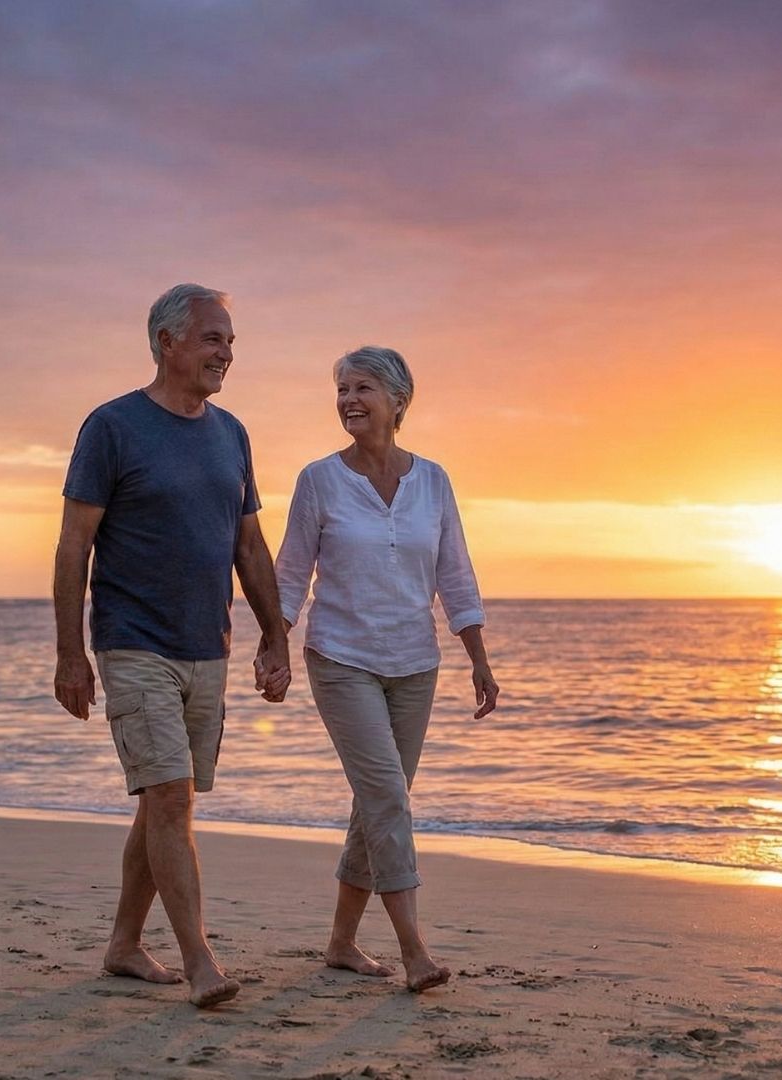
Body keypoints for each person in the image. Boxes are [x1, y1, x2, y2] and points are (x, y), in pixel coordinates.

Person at [53, 283, 291, 1008]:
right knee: (168, 795)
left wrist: (275, 636)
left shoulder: (232, 433)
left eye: (231, 342)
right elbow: (73, 546)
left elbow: (248, 546)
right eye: (214, 339)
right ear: (167, 341)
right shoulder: (112, 427)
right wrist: (71, 653)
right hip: (134, 643)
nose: (226, 353)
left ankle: (124, 945)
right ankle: (200, 961)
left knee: (166, 806)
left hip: (206, 648)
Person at [270, 345, 498, 992]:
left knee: (375, 806)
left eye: (362, 387)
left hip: (414, 665)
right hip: (341, 658)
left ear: (399, 400)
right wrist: (273, 645)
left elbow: (456, 573)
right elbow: (290, 574)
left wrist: (477, 657)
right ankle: (414, 951)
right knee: (389, 800)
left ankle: (341, 943)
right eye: (342, 388)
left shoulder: (434, 481)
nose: (348, 399)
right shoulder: (319, 480)